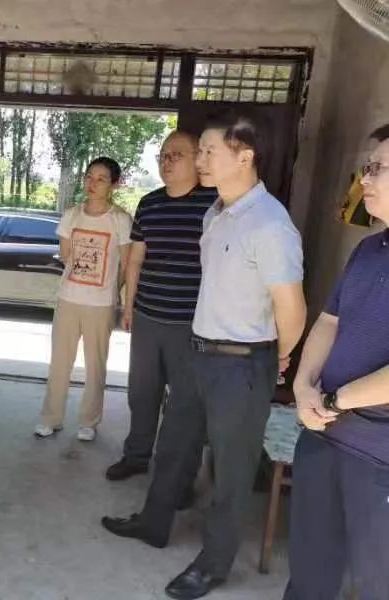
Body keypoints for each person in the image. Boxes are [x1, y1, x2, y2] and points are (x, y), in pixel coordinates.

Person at [101, 110, 306, 600]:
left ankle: (213, 564)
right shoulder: (215, 214)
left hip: (243, 362)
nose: (201, 160)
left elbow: (292, 309)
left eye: (210, 151)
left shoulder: (270, 225)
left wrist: (276, 358)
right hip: (199, 351)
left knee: (232, 470)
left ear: (245, 156)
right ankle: (153, 523)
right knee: (174, 445)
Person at [284, 125, 389, 600]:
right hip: (323, 437)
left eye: (377, 168)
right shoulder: (369, 249)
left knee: (375, 583)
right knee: (309, 573)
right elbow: (329, 321)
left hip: (378, 456)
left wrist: (332, 400)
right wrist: (304, 387)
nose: (364, 179)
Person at [105, 131, 217, 486]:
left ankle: (179, 477)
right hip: (148, 316)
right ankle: (136, 456)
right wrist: (128, 305)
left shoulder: (216, 205)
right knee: (142, 393)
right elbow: (136, 260)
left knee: (186, 403)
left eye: (175, 155)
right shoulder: (150, 203)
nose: (166, 162)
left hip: (193, 325)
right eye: (162, 156)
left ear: (197, 158)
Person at [34, 157, 132, 442]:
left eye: (101, 178)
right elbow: (66, 255)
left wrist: (113, 292)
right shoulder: (71, 215)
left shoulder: (120, 219)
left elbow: (127, 264)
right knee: (60, 361)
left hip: (101, 304)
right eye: (89, 176)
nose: (93, 183)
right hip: (69, 298)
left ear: (114, 184)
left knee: (95, 364)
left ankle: (89, 421)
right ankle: (50, 418)